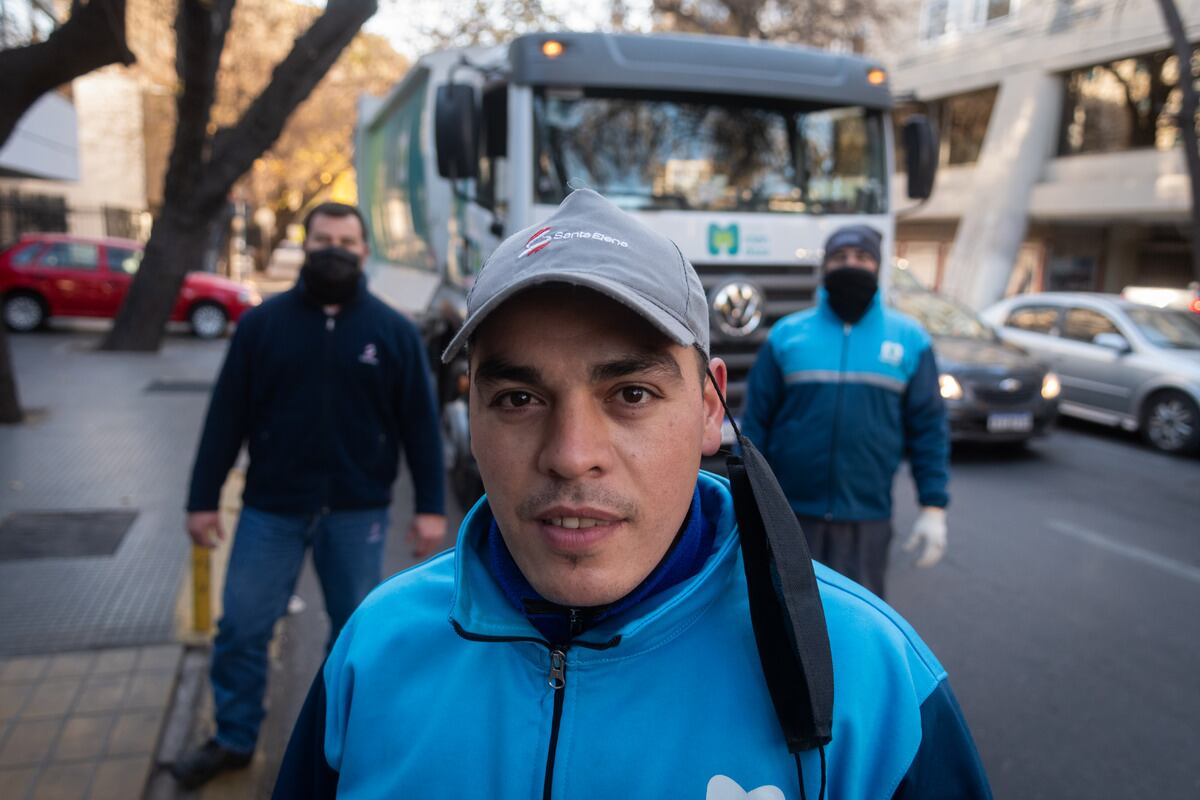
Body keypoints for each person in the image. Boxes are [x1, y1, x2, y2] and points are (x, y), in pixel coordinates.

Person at [271, 190, 990, 799]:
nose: (572, 456)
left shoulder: (875, 682)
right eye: (519, 397)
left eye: (633, 393)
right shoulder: (375, 652)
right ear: (471, 415)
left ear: (712, 408)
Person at [172, 202, 447, 789]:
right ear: (306, 243)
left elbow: (421, 427)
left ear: (365, 251)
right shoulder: (261, 326)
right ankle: (234, 737)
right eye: (323, 238)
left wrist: (429, 508)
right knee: (243, 628)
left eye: (347, 240)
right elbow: (226, 417)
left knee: (358, 634)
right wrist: (201, 499)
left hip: (358, 511)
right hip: (271, 508)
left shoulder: (392, 332)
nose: (335, 250)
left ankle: (344, 745)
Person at [741, 225, 950, 598]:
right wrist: (750, 499)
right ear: (824, 267)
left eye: (862, 258)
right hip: (789, 514)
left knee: (859, 628)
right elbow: (756, 426)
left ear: (878, 267)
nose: (850, 265)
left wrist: (933, 506)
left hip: (867, 519)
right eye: (840, 258)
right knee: (786, 621)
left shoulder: (910, 339)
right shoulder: (787, 335)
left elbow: (929, 428)